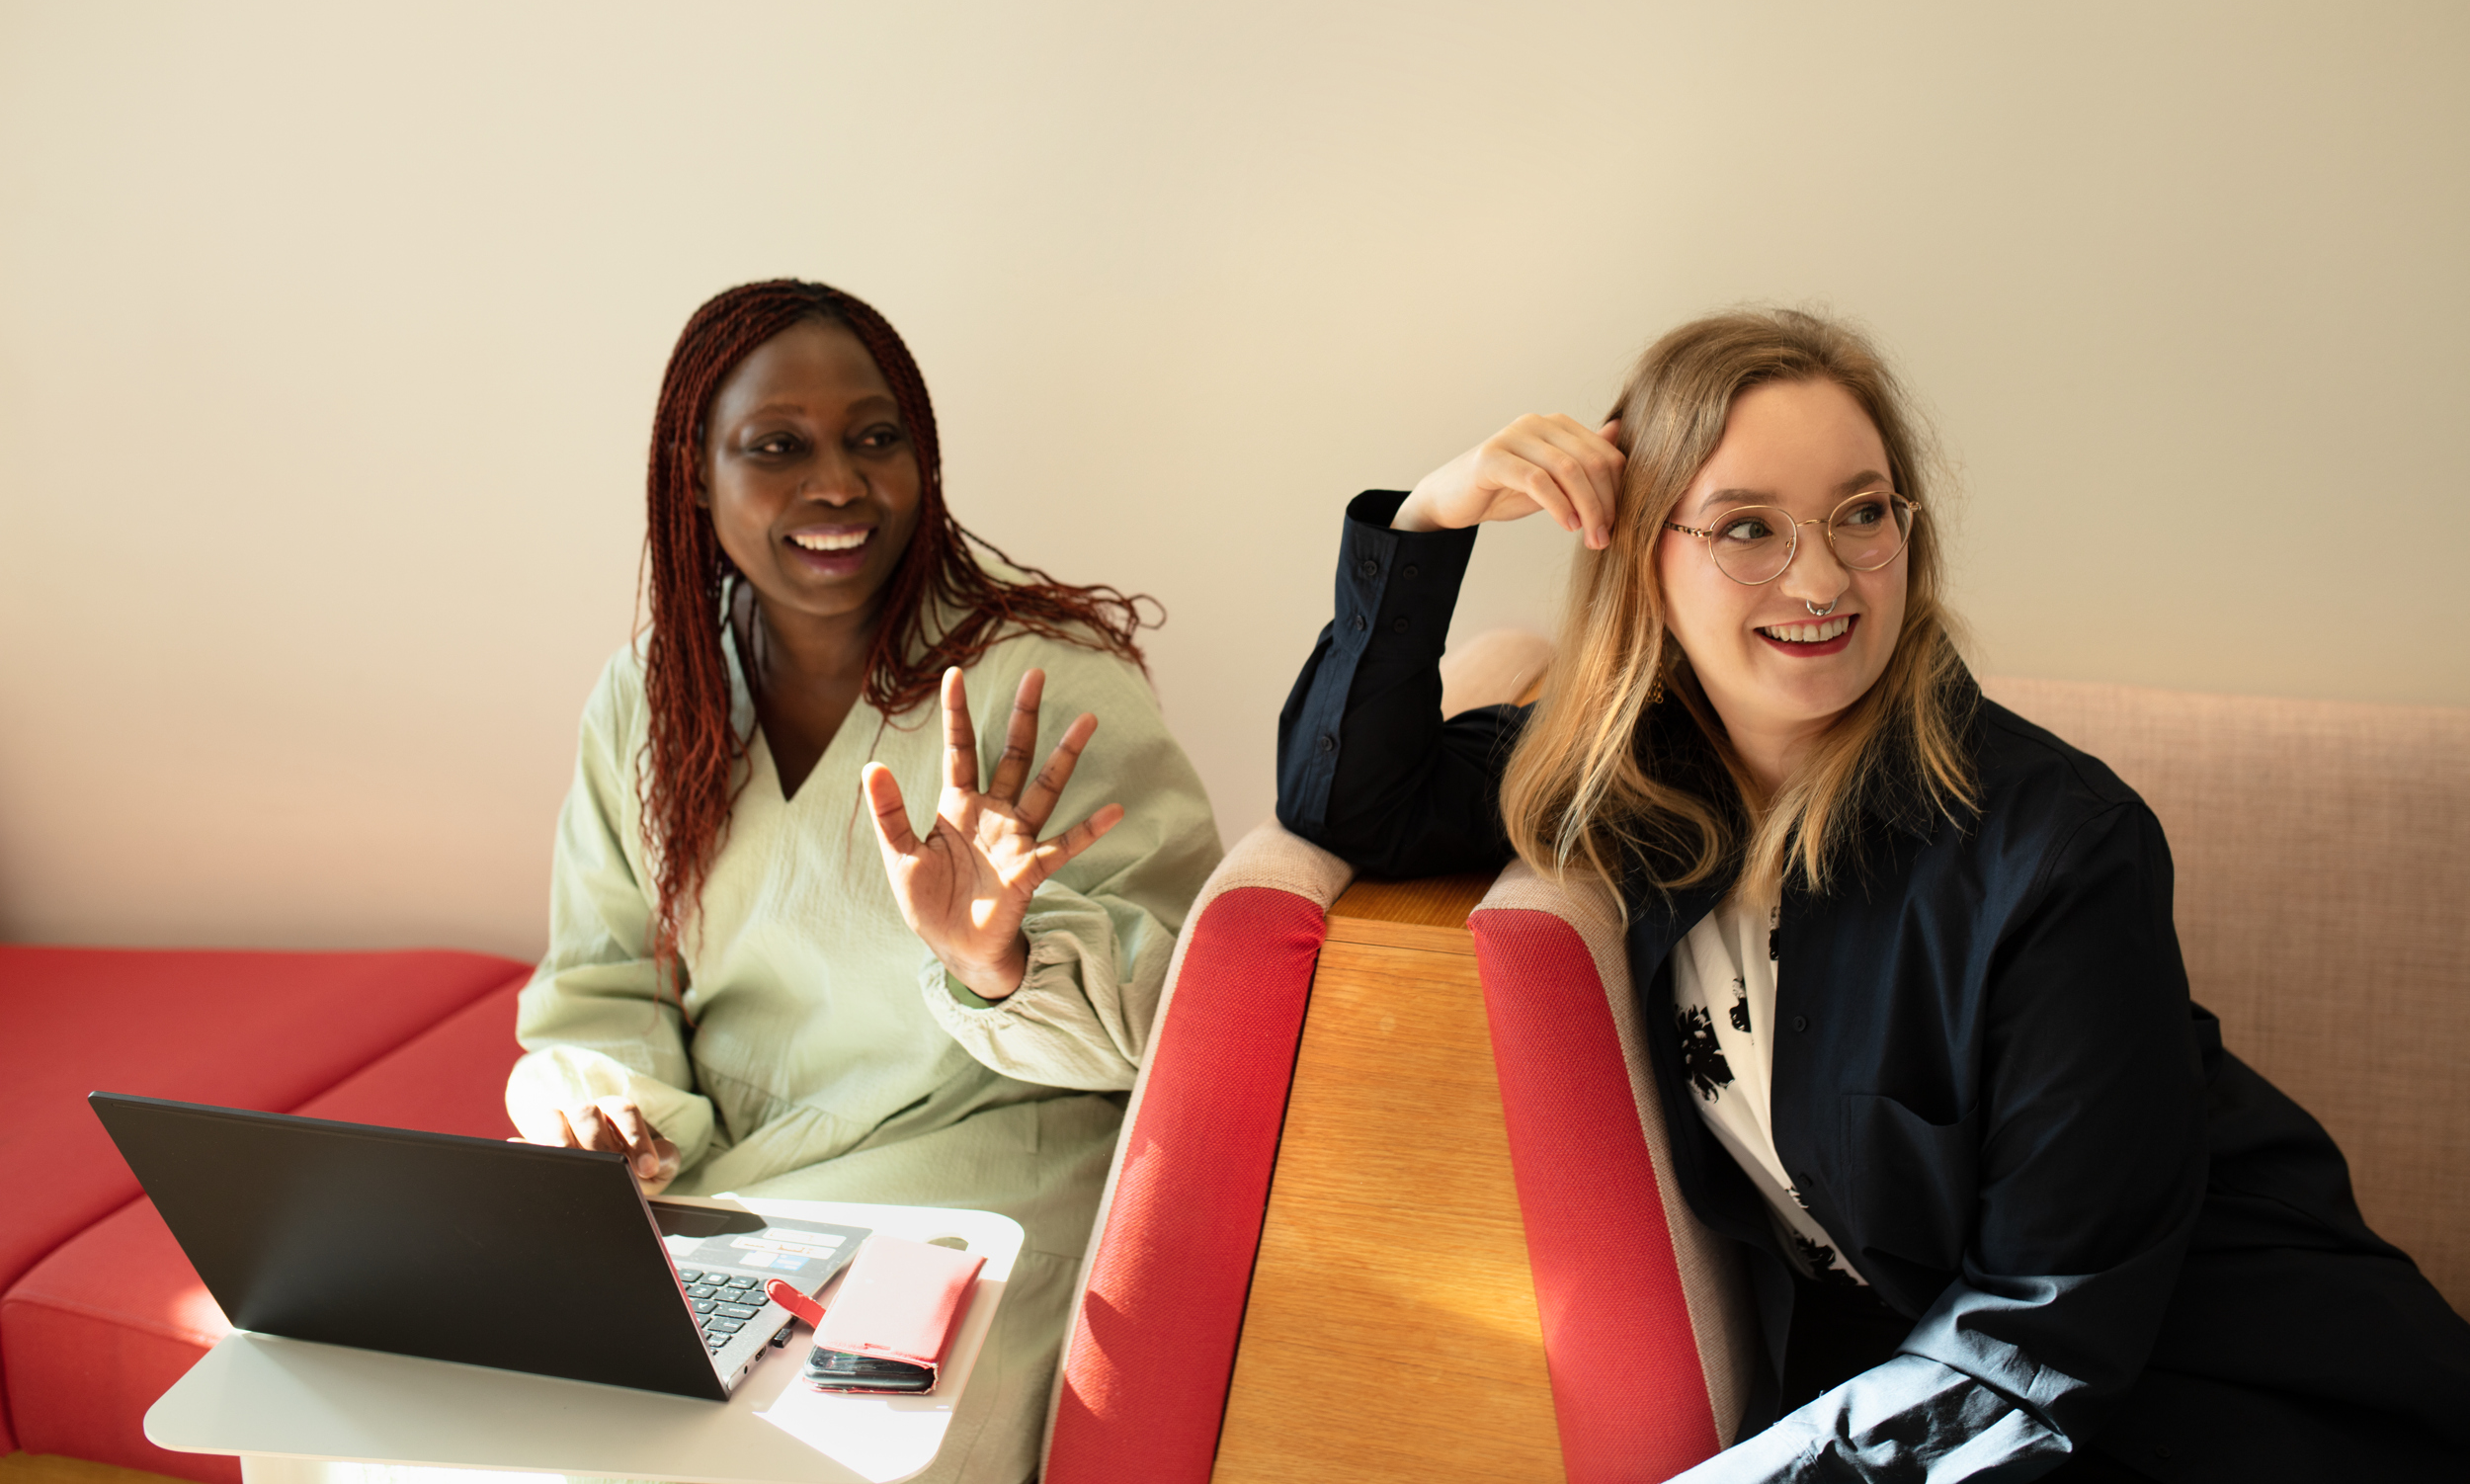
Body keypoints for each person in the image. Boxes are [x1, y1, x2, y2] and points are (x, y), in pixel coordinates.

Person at [1275, 308, 2470, 1481]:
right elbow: (1354, 801)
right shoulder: (1631, 779)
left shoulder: (2064, 851)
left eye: (1860, 512)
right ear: (1640, 552)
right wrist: (1430, 516)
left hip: (2236, 1401)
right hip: (1954, 1415)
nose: (1820, 577)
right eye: (1748, 526)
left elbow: (2036, 1335)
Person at [507, 279, 1220, 1482]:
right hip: (723, 1191)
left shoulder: (1041, 680)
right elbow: (602, 979)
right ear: (694, 476)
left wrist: (998, 961)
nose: (837, 482)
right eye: (777, 445)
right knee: (465, 1417)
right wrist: (611, 1110)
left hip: (972, 1184)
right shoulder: (649, 695)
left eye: (874, 437)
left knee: (795, 1462)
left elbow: (1189, 1027)